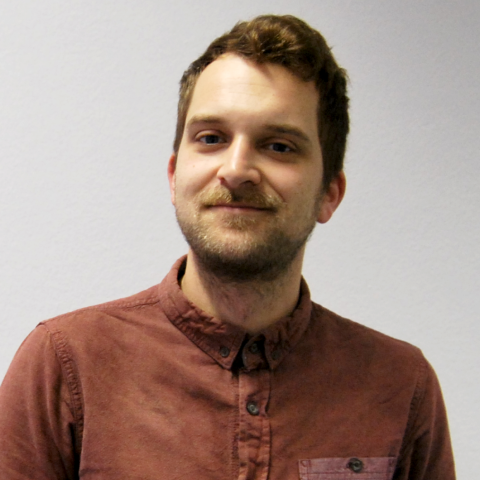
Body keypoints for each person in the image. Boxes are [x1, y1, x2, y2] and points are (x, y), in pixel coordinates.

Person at [0, 14, 455, 480]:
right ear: (174, 176)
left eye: (279, 146)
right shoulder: (64, 364)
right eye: (211, 138)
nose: (236, 170)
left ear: (329, 194)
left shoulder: (401, 385)